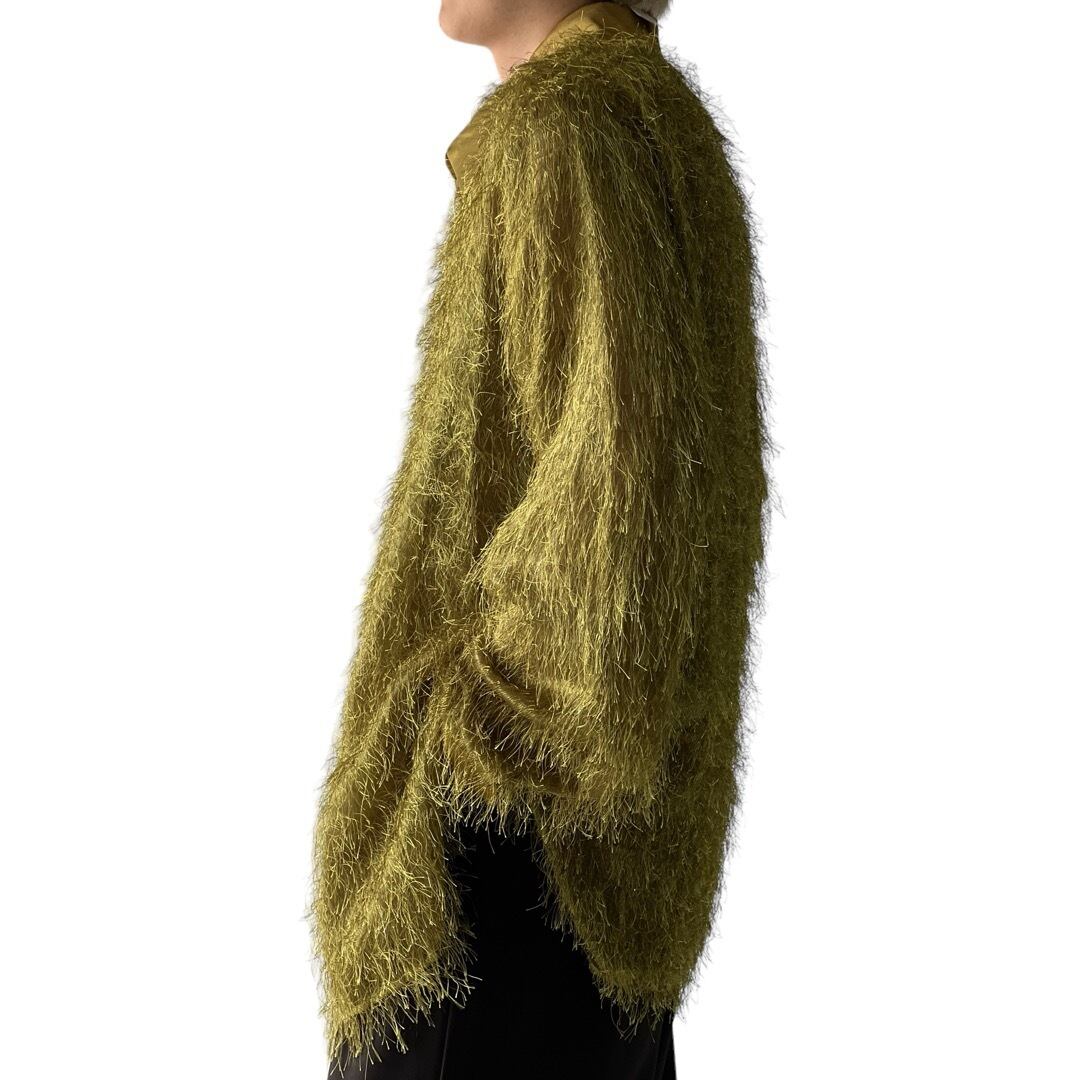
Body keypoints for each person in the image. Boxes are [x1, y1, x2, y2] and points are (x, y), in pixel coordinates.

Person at [312, 2, 770, 1076]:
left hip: (505, 865)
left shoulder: (562, 127)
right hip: (611, 878)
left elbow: (620, 486)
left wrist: (460, 739)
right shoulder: (650, 118)